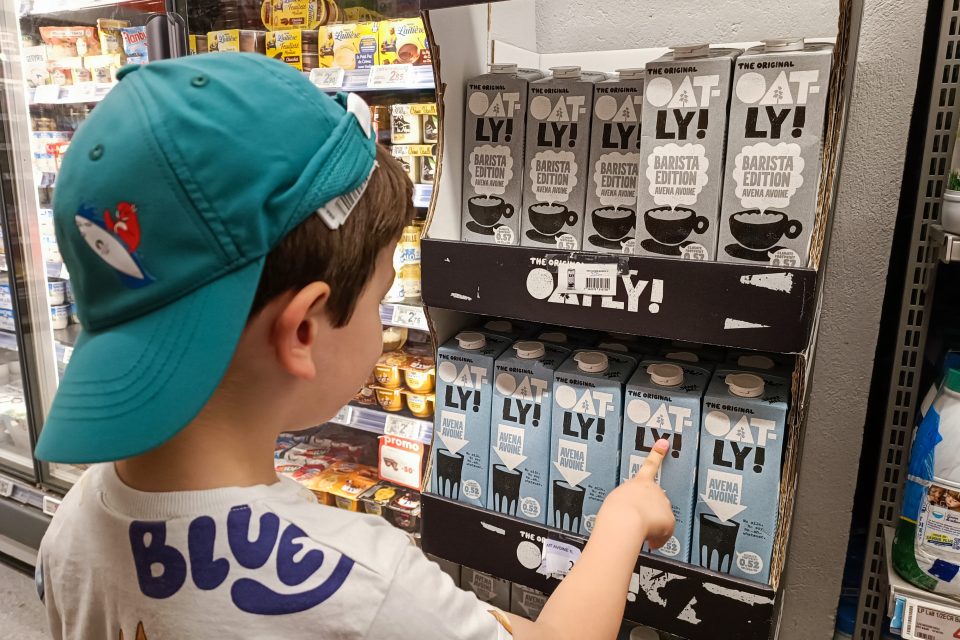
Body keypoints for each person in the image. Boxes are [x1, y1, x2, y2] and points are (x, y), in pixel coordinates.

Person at [34, 53, 675, 640]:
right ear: (305, 329)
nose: (381, 319)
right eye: (378, 299)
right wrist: (622, 522)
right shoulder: (358, 584)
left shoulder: (73, 526)